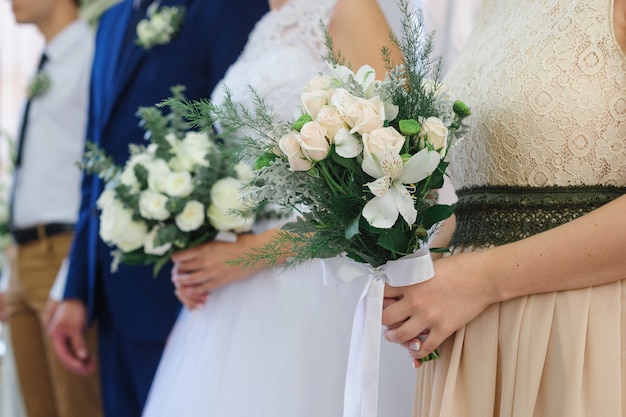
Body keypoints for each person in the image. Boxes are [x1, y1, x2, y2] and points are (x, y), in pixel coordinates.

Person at [141, 0, 417, 416]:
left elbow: (398, 171)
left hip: (321, 283)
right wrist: (207, 249)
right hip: (236, 293)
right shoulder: (264, 26)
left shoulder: (348, 9)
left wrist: (252, 254)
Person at [381, 0, 626, 416]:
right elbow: (486, 194)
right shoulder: (494, 7)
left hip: (583, 332)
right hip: (474, 341)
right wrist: (424, 277)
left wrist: (482, 279)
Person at [47, 1, 268, 416]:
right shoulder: (111, 21)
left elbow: (242, 141)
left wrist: (210, 279)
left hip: (188, 288)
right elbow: (94, 160)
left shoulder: (227, 7)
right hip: (112, 292)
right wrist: (75, 289)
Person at [4, 0, 103, 416]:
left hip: (62, 252)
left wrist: (71, 277)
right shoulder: (45, 65)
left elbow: (98, 169)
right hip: (25, 258)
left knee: (77, 405)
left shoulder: (92, 55)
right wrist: (14, 268)